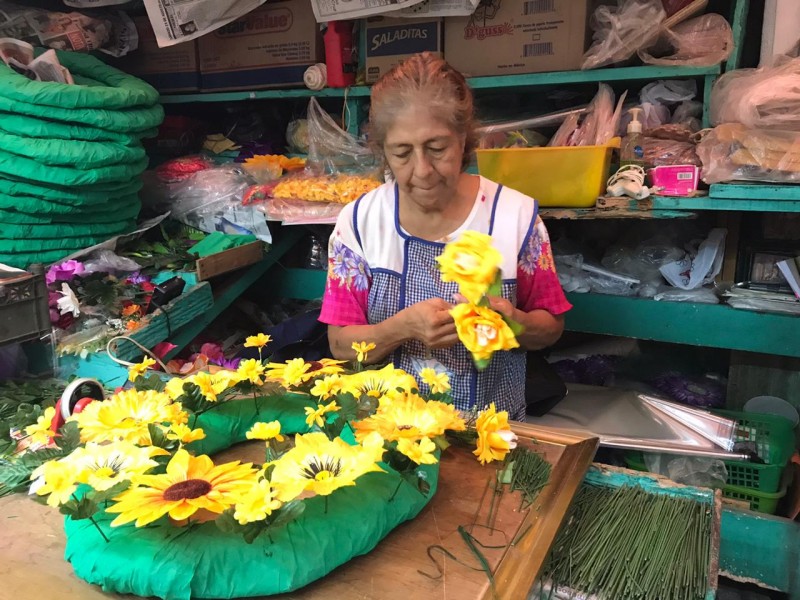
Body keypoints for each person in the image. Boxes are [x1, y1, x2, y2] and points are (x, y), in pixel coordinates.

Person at [318, 52, 571, 421]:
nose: (422, 170)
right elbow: (340, 344)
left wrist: (512, 321)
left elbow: (550, 328)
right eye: (402, 153)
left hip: (492, 433)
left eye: (437, 149)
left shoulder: (514, 217)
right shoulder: (359, 222)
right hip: (385, 437)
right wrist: (402, 328)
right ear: (383, 151)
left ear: (463, 140)